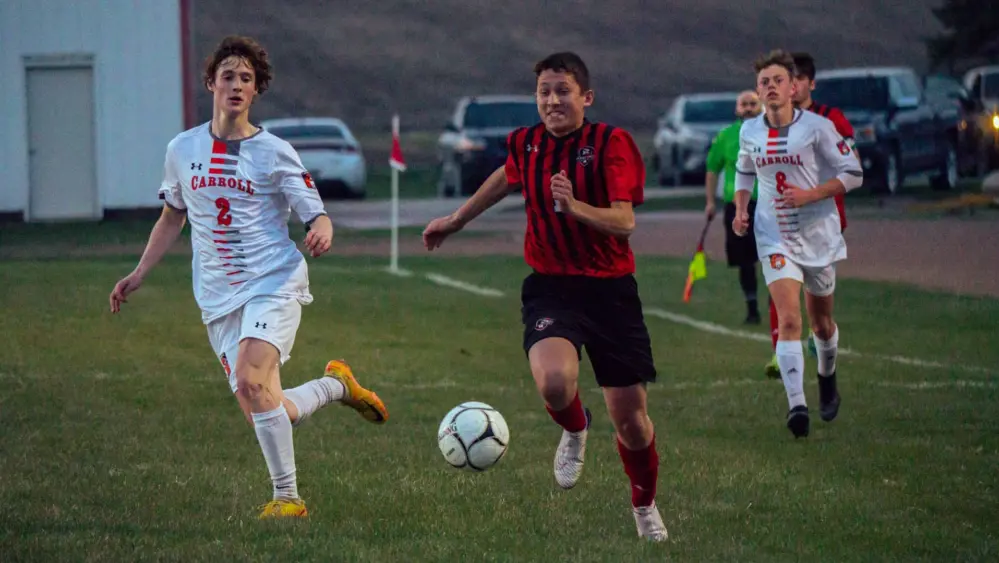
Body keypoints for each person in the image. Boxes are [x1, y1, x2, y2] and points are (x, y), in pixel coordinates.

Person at [108, 35, 389, 519]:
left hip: (273, 281)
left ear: (256, 90)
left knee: (249, 380)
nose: (236, 85)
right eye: (228, 76)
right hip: (217, 298)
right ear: (210, 83)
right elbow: (172, 216)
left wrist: (321, 228)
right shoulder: (182, 148)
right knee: (263, 401)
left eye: (246, 78)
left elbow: (314, 212)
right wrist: (139, 272)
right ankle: (337, 386)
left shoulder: (275, 151)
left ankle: (288, 500)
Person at [422, 52, 668, 541]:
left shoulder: (611, 143)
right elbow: (504, 179)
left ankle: (644, 506)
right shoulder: (525, 143)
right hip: (552, 286)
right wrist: (456, 220)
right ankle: (575, 428)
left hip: (611, 292)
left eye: (562, 90)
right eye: (544, 92)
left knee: (634, 423)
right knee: (555, 382)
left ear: (586, 97)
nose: (552, 100)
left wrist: (574, 206)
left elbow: (625, 222)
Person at [732, 49, 863, 438]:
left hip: (819, 233)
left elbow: (853, 172)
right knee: (789, 319)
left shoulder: (818, 127)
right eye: (763, 83)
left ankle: (827, 377)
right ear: (758, 91)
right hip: (774, 234)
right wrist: (742, 208)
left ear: (793, 88)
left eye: (777, 81)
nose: (770, 88)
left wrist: (813, 194)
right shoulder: (749, 130)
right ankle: (796, 406)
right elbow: (744, 168)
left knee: (821, 325)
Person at [764, 51, 859, 378]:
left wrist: (812, 189)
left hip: (823, 221)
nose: (794, 86)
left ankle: (819, 340)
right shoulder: (771, 121)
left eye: (800, 80)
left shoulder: (830, 120)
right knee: (781, 284)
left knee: (818, 312)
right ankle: (782, 349)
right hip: (781, 224)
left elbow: (851, 168)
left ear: (810, 83)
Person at [704, 90, 764, 325]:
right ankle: (752, 308)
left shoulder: (772, 132)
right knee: (745, 260)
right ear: (737, 109)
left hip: (768, 205)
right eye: (744, 104)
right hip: (737, 206)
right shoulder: (726, 136)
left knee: (773, 258)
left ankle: (778, 307)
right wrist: (710, 201)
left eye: (753, 104)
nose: (748, 108)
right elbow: (712, 169)